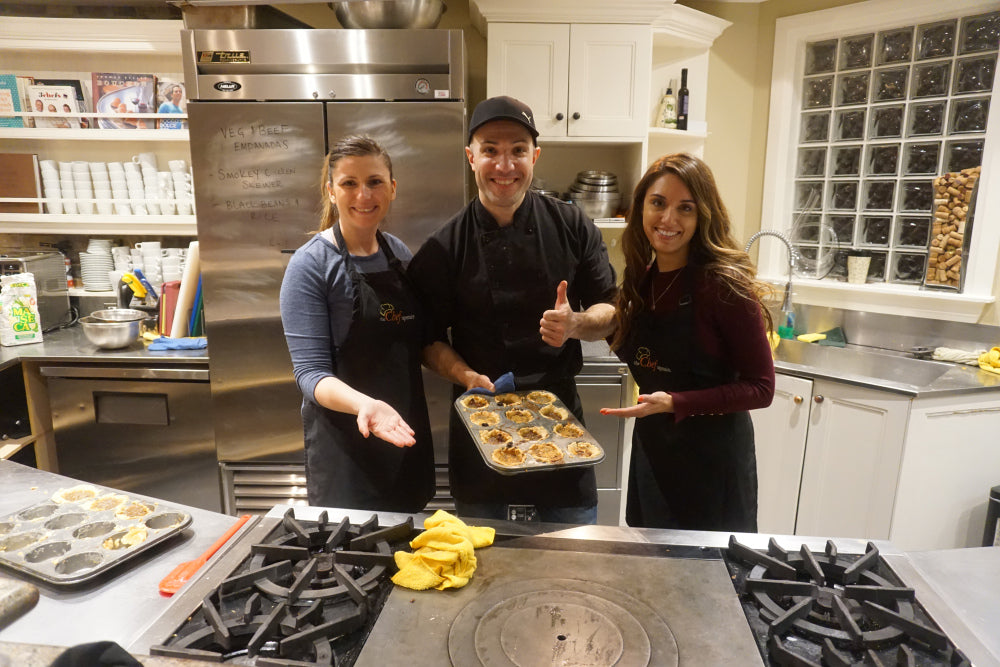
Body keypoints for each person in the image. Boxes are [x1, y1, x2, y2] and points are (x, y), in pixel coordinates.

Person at [408, 96, 617, 524]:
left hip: (562, 432)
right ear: (471, 157)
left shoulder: (573, 226)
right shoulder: (443, 248)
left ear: (535, 156)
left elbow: (610, 309)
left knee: (570, 561)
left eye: (518, 150)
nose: (505, 166)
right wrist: (465, 375)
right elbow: (427, 341)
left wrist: (577, 324)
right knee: (485, 566)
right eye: (491, 150)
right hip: (480, 429)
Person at [600, 153, 775, 533]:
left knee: (707, 581)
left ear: (703, 216)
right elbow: (648, 356)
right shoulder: (644, 278)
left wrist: (677, 402)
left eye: (685, 208)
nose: (668, 220)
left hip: (713, 463)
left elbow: (762, 389)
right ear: (641, 207)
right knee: (651, 572)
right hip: (656, 451)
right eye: (658, 203)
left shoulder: (724, 286)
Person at [279, 135, 435, 512]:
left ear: (392, 188)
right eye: (349, 183)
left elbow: (421, 342)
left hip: (402, 437)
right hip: (346, 451)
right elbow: (310, 374)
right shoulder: (311, 265)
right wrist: (368, 406)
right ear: (331, 191)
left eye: (375, 182)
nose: (363, 195)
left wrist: (466, 374)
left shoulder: (398, 254)